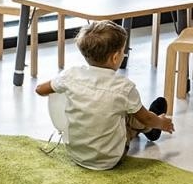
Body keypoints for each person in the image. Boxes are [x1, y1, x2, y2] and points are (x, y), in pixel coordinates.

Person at [35, 20, 171, 170]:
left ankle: (147, 129)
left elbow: (40, 89)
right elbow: (145, 117)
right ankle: (151, 129)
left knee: (117, 109)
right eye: (124, 51)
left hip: (76, 153)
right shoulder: (124, 87)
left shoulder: (70, 75)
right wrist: (162, 122)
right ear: (115, 58)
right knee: (130, 113)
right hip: (110, 159)